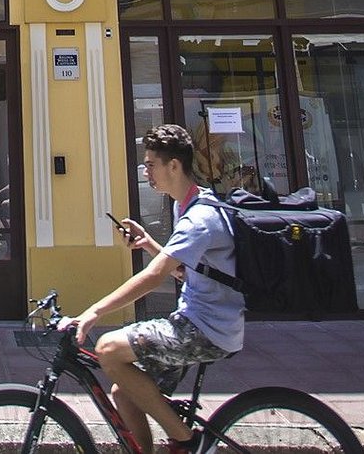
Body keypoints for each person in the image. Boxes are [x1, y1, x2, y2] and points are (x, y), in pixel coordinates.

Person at [75, 124, 243, 454]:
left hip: (205, 329)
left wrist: (93, 312)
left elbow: (155, 277)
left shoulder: (199, 218)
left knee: (107, 349)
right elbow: (183, 271)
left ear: (174, 166)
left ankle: (187, 440)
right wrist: (150, 244)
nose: (146, 172)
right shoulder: (188, 204)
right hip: (198, 322)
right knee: (126, 392)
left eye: (151, 164)